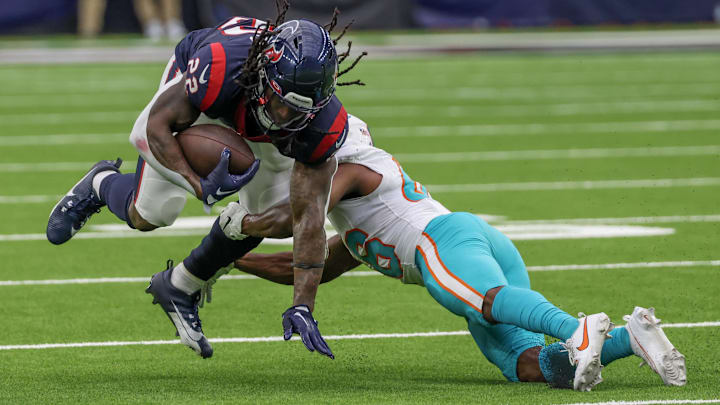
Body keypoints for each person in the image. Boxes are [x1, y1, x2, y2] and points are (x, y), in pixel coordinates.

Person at [217, 114, 687, 391]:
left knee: (482, 299)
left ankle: (576, 328)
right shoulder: (356, 225)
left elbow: (300, 218)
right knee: (525, 365)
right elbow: (305, 262)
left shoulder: (355, 172)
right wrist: (232, 261)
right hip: (470, 242)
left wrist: (242, 224)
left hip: (443, 242)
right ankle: (637, 337)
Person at [48, 4, 363, 359]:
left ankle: (183, 285)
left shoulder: (321, 123)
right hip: (205, 104)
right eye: (281, 103)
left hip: (247, 110)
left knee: (270, 215)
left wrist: (304, 305)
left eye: (300, 111)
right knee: (151, 213)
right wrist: (198, 184)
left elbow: (309, 219)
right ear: (265, 75)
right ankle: (100, 184)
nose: (285, 118)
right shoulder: (220, 67)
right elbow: (151, 129)